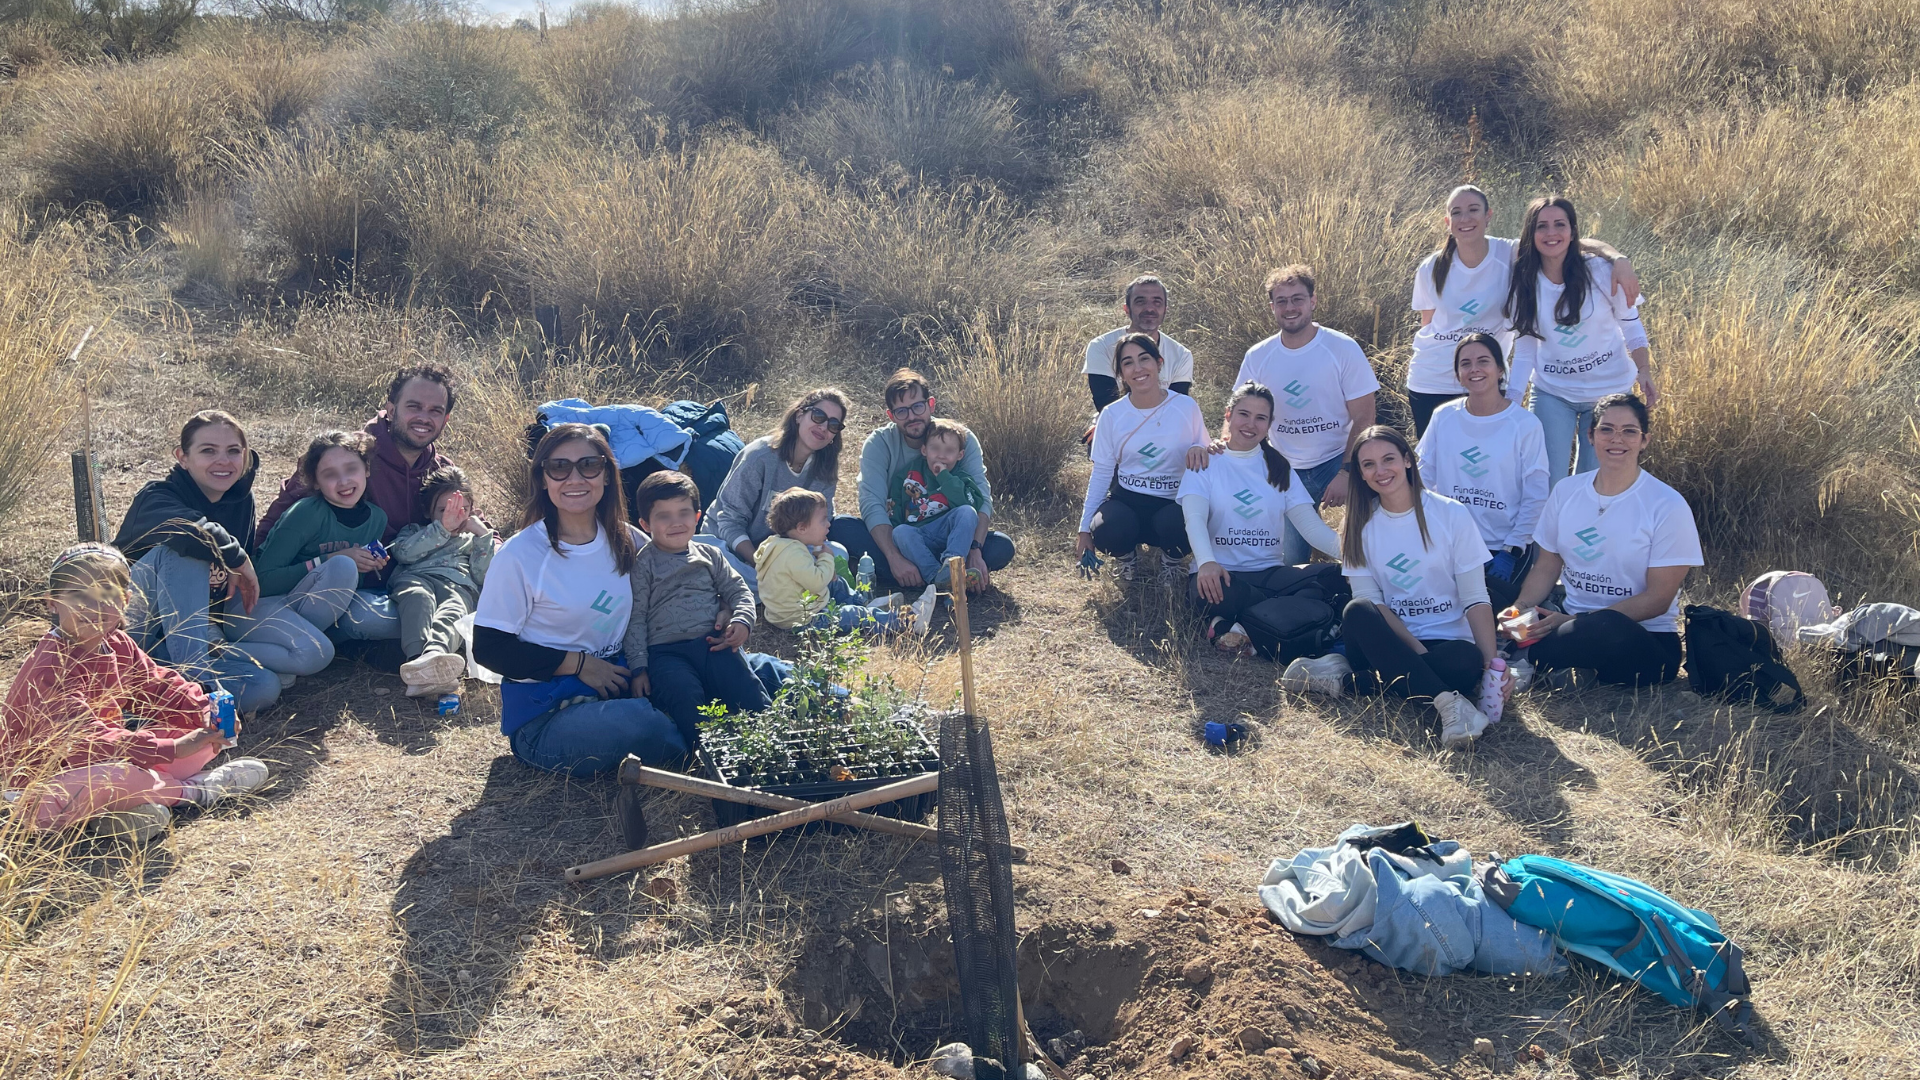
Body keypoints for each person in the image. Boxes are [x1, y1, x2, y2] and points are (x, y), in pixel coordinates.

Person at [3, 544, 269, 838]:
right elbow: (88, 740)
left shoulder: (117, 644)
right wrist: (174, 749)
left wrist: (206, 713)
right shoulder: (51, 665)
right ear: (53, 603)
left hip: (101, 763)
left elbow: (158, 686)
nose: (93, 607)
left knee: (201, 736)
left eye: (106, 595)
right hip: (35, 791)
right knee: (121, 774)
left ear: (125, 600)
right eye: (79, 596)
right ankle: (197, 791)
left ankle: (124, 812)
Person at [472, 424, 685, 777]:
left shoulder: (628, 538)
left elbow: (679, 585)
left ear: (606, 475)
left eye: (589, 465)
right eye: (559, 467)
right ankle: (701, 741)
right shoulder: (520, 556)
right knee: (641, 723)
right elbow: (491, 649)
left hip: (622, 684)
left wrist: (724, 605)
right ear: (543, 478)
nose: (574, 478)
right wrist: (580, 664)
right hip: (548, 717)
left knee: (724, 670)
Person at [1283, 427, 1503, 748]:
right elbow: (1370, 601)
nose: (1381, 471)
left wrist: (1490, 668)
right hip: (1382, 640)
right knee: (1357, 610)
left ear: (1408, 461)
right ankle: (1449, 703)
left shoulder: (1451, 514)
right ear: (1360, 473)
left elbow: (1475, 598)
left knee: (1465, 663)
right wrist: (1415, 654)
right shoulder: (1359, 524)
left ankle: (1344, 680)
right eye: (1369, 464)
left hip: (1445, 643)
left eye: (1389, 459)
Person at [1502, 394, 1701, 688]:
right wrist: (1519, 609)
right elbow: (1546, 566)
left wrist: (1576, 622)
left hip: (1640, 637)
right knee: (1490, 593)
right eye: (1607, 429)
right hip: (1568, 622)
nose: (1616, 439)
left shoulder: (1667, 505)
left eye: (1629, 431)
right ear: (1591, 436)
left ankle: (1533, 660)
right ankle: (1542, 658)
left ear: (1644, 440)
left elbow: (1658, 600)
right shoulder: (1566, 491)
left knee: (1606, 627)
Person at [1407, 186, 1639, 437]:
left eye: (1474, 210)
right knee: (1436, 466)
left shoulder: (1510, 253)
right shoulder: (1431, 267)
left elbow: (1563, 242)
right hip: (1432, 380)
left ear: (1488, 215)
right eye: (1457, 212)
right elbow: (1427, 325)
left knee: (1490, 462)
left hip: (1486, 378)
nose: (1465, 219)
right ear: (1447, 221)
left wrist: (1617, 258)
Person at [257, 363, 460, 643]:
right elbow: (285, 512)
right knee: (367, 616)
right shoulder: (349, 457)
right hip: (337, 586)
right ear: (391, 409)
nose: (424, 418)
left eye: (435, 410)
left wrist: (496, 546)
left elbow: (473, 516)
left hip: (404, 585)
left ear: (446, 418)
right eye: (414, 406)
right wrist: (250, 572)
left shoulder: (439, 470)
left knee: (429, 607)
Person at [115, 411, 285, 713]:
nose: (223, 461)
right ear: (183, 457)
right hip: (129, 635)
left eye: (233, 451)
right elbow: (189, 531)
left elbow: (223, 590)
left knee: (263, 687)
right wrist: (238, 556)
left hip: (176, 643)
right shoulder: (155, 497)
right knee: (186, 549)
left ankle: (152, 696)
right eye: (208, 451)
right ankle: (196, 686)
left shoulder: (241, 502)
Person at [1232, 264, 1380, 565]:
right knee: (1290, 563)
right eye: (1281, 301)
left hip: (1337, 458)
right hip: (1285, 468)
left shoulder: (1341, 348)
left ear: (1313, 301)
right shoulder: (1258, 356)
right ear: (1271, 306)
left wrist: (1345, 472)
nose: (1290, 308)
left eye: (1297, 299)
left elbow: (1364, 415)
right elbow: (1238, 414)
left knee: (1380, 526)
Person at [1179, 382, 1342, 653]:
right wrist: (1206, 562)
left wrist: (1355, 556)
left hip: (1269, 574)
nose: (1250, 424)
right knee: (1211, 592)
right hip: (1221, 576)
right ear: (1228, 415)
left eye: (1260, 418)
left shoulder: (1278, 467)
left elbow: (1310, 527)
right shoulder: (1206, 461)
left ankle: (1234, 628)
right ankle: (1271, 619)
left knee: (1337, 576)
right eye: (1244, 414)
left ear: (1269, 424)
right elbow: (1193, 518)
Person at [1503, 196, 1654, 485]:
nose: (1551, 234)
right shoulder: (1523, 281)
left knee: (1592, 481)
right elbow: (1525, 351)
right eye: (1542, 226)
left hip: (1609, 393)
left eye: (1560, 225)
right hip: (1553, 392)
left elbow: (1632, 326)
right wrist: (1512, 400)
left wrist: (1644, 370)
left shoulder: (1601, 272)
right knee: (1547, 479)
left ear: (1573, 231)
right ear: (1531, 234)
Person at [831, 369, 1016, 593]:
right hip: (906, 537)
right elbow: (872, 504)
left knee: (1001, 547)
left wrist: (975, 549)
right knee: (841, 526)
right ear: (891, 416)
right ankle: (932, 576)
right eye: (902, 411)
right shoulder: (879, 444)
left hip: (951, 536)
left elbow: (981, 499)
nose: (912, 416)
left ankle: (936, 574)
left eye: (917, 406)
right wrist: (894, 557)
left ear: (930, 404)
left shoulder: (958, 437)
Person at [625, 471, 770, 749]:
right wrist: (639, 668)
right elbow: (636, 618)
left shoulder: (710, 554)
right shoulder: (643, 564)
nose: (676, 522)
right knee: (686, 697)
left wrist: (742, 620)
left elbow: (738, 591)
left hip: (713, 643)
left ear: (697, 516)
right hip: (666, 653)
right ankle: (708, 758)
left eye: (683, 513)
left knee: (745, 688)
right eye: (663, 516)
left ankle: (766, 746)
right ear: (645, 524)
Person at [1415, 334, 1550, 612]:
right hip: (1452, 545)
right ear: (1458, 375)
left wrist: (1512, 549)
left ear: (1501, 370)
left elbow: (1536, 495)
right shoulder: (1443, 417)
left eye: (1483, 361)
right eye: (1466, 364)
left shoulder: (1525, 424)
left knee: (1491, 615)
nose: (1474, 369)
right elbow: (1422, 478)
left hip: (1503, 549)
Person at [1077, 333, 1210, 582]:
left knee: (1185, 521)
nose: (1138, 368)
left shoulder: (1185, 407)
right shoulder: (1112, 415)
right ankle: (1126, 558)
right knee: (1108, 529)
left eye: (1144, 359)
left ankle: (1171, 561)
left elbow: (1207, 457)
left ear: (1159, 363)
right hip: (1127, 500)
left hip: (1172, 502)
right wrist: (1084, 529)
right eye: (1127, 363)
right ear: (1121, 374)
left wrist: (1201, 449)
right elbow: (1102, 473)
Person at [251, 430, 395, 651]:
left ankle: (312, 647)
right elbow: (264, 580)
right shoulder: (306, 513)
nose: (344, 481)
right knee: (342, 565)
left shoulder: (377, 518)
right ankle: (302, 648)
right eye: (330, 474)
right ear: (316, 482)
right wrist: (329, 560)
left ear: (366, 469)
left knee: (381, 619)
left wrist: (368, 565)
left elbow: (350, 585)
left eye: (351, 469)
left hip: (334, 611)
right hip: (284, 607)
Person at [699, 388, 851, 594]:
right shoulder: (759, 456)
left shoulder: (824, 470)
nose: (823, 427)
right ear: (799, 415)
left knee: (838, 552)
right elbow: (729, 520)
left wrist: (814, 555)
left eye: (833, 425)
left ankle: (770, 588)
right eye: (818, 416)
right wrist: (759, 563)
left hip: (778, 551)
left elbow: (820, 524)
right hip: (732, 547)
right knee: (715, 559)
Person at [390, 466, 495, 700]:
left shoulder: (471, 541)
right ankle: (417, 662)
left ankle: (435, 653)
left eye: (461, 510)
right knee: (418, 598)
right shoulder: (415, 531)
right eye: (444, 510)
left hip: (457, 585)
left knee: (454, 610)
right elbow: (403, 554)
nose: (453, 516)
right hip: (417, 578)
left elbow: (484, 576)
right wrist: (441, 529)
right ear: (428, 512)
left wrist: (482, 534)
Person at [756, 488, 902, 635]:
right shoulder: (793, 554)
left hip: (783, 613)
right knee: (854, 615)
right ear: (802, 528)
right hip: (804, 620)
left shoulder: (776, 544)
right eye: (823, 520)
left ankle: (866, 605)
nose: (828, 524)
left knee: (835, 583)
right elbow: (818, 582)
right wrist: (826, 557)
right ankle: (903, 621)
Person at [888, 418, 989, 591]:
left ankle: (952, 565)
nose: (941, 455)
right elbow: (894, 509)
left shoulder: (962, 478)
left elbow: (968, 504)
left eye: (949, 450)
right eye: (935, 448)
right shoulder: (907, 476)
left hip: (951, 536)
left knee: (967, 512)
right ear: (924, 450)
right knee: (900, 532)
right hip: (919, 536)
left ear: (960, 455)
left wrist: (944, 476)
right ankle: (938, 578)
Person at [1082, 274, 1194, 413]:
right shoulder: (1101, 346)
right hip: (1114, 427)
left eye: (1157, 302)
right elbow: (1106, 404)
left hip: (1165, 429)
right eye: (1140, 302)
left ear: (1165, 309)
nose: (1149, 308)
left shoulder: (1181, 355)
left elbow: (1177, 408)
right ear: (1126, 309)